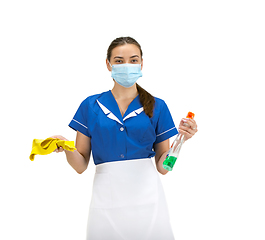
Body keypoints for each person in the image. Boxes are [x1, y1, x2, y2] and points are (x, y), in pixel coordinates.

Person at [51, 36, 197, 239]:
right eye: (119, 60)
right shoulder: (90, 106)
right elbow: (80, 165)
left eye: (133, 60)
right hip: (106, 200)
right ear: (108, 64)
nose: (126, 65)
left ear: (142, 63)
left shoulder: (157, 106)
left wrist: (181, 140)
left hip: (148, 200)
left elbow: (163, 167)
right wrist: (66, 146)